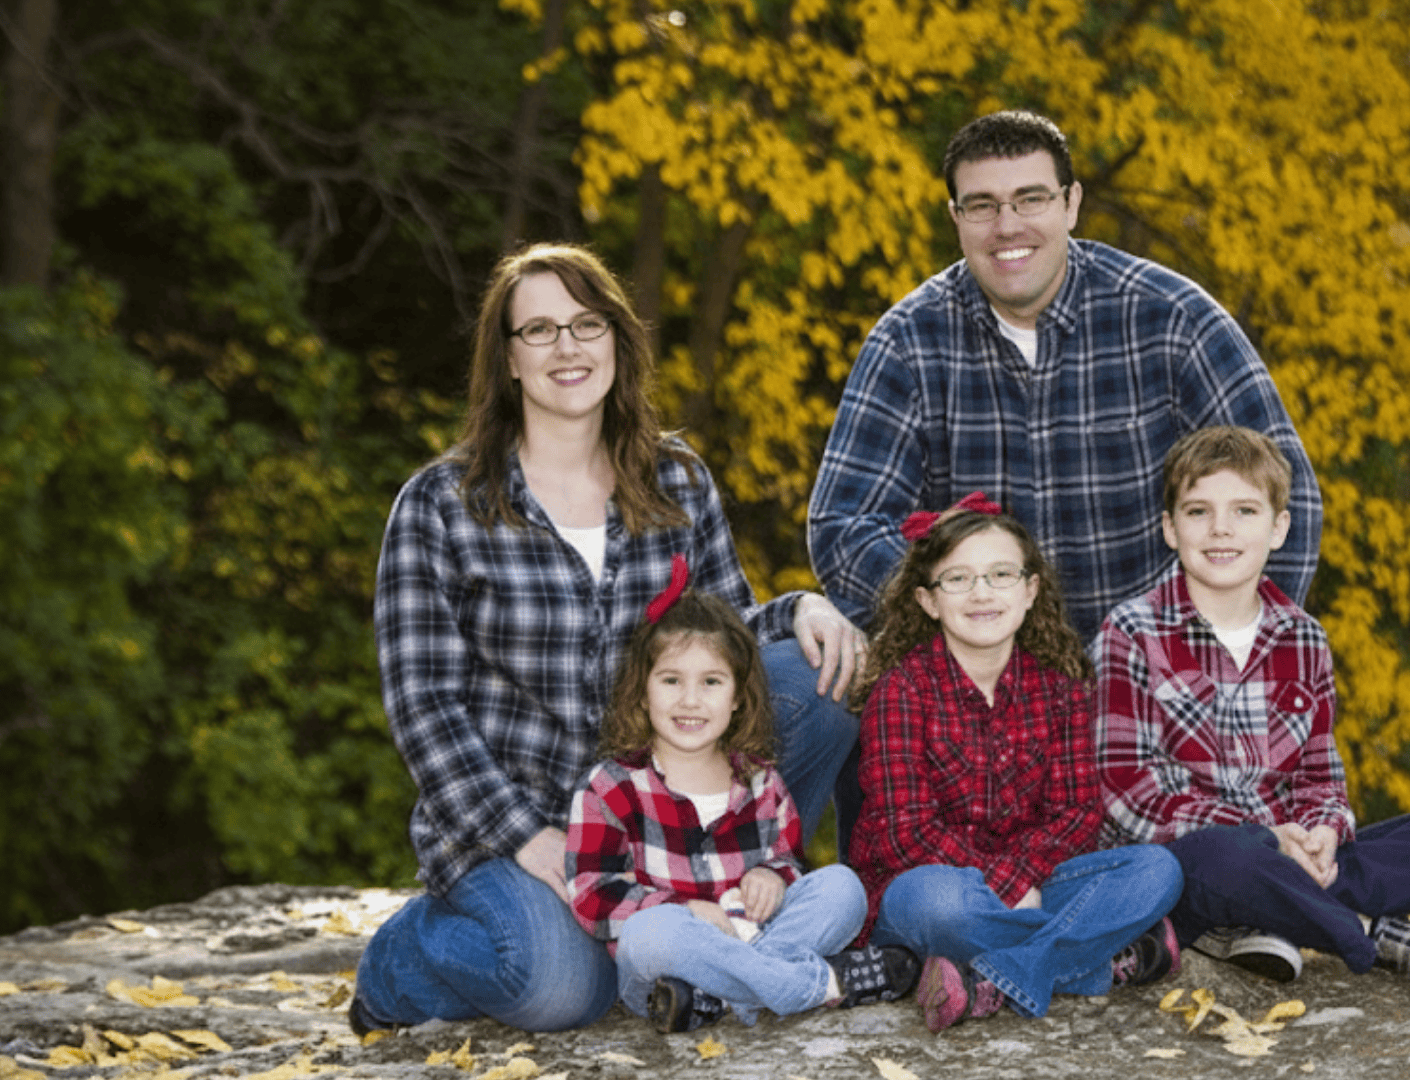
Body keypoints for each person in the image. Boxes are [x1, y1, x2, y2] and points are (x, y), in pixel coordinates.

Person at [352, 242, 863, 1033]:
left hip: (658, 810)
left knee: (818, 680)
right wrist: (531, 838)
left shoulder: (676, 480)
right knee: (563, 990)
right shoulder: (442, 505)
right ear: (507, 359)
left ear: (618, 342)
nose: (568, 347)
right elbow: (424, 706)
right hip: (513, 816)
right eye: (540, 330)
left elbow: (725, 630)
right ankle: (404, 959)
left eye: (588, 324)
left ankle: (738, 902)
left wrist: (803, 609)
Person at [808, 108, 1322, 644]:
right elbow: (844, 527)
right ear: (955, 217)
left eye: (1031, 199)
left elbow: (1288, 497)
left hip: (1160, 667)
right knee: (801, 673)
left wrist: (1226, 651)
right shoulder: (908, 342)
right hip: (976, 671)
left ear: (1071, 203)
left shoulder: (1172, 320)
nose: (1008, 226)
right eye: (982, 206)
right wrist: (966, 600)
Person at [1094, 426, 1410, 994]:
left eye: (1245, 511)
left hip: (1280, 855)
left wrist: (1323, 832)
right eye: (1199, 511)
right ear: (1169, 528)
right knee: (1227, 859)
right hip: (1191, 860)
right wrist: (1267, 837)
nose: (1221, 529)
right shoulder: (1131, 631)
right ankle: (1364, 932)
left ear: (1278, 528)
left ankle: (1268, 917)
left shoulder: (1303, 638)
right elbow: (1130, 792)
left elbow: (1320, 775)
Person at [845, 494, 1184, 1033]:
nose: (981, 593)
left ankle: (998, 976)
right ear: (928, 601)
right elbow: (904, 833)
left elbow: (1076, 815)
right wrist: (1005, 887)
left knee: (1157, 871)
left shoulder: (1061, 688)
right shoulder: (902, 690)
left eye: (1001, 574)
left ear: (1030, 591)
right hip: (933, 886)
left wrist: (1022, 880)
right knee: (939, 905)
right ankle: (1097, 957)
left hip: (1039, 880)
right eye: (957, 579)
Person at [564, 569, 917, 1032]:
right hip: (672, 960)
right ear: (642, 693)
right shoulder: (610, 787)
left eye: (711, 682)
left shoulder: (760, 781)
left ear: (736, 697)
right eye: (671, 681)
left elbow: (786, 859)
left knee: (842, 887)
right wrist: (685, 910)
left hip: (749, 943)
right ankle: (811, 985)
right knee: (649, 934)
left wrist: (772, 876)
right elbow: (592, 895)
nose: (691, 700)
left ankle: (726, 997)